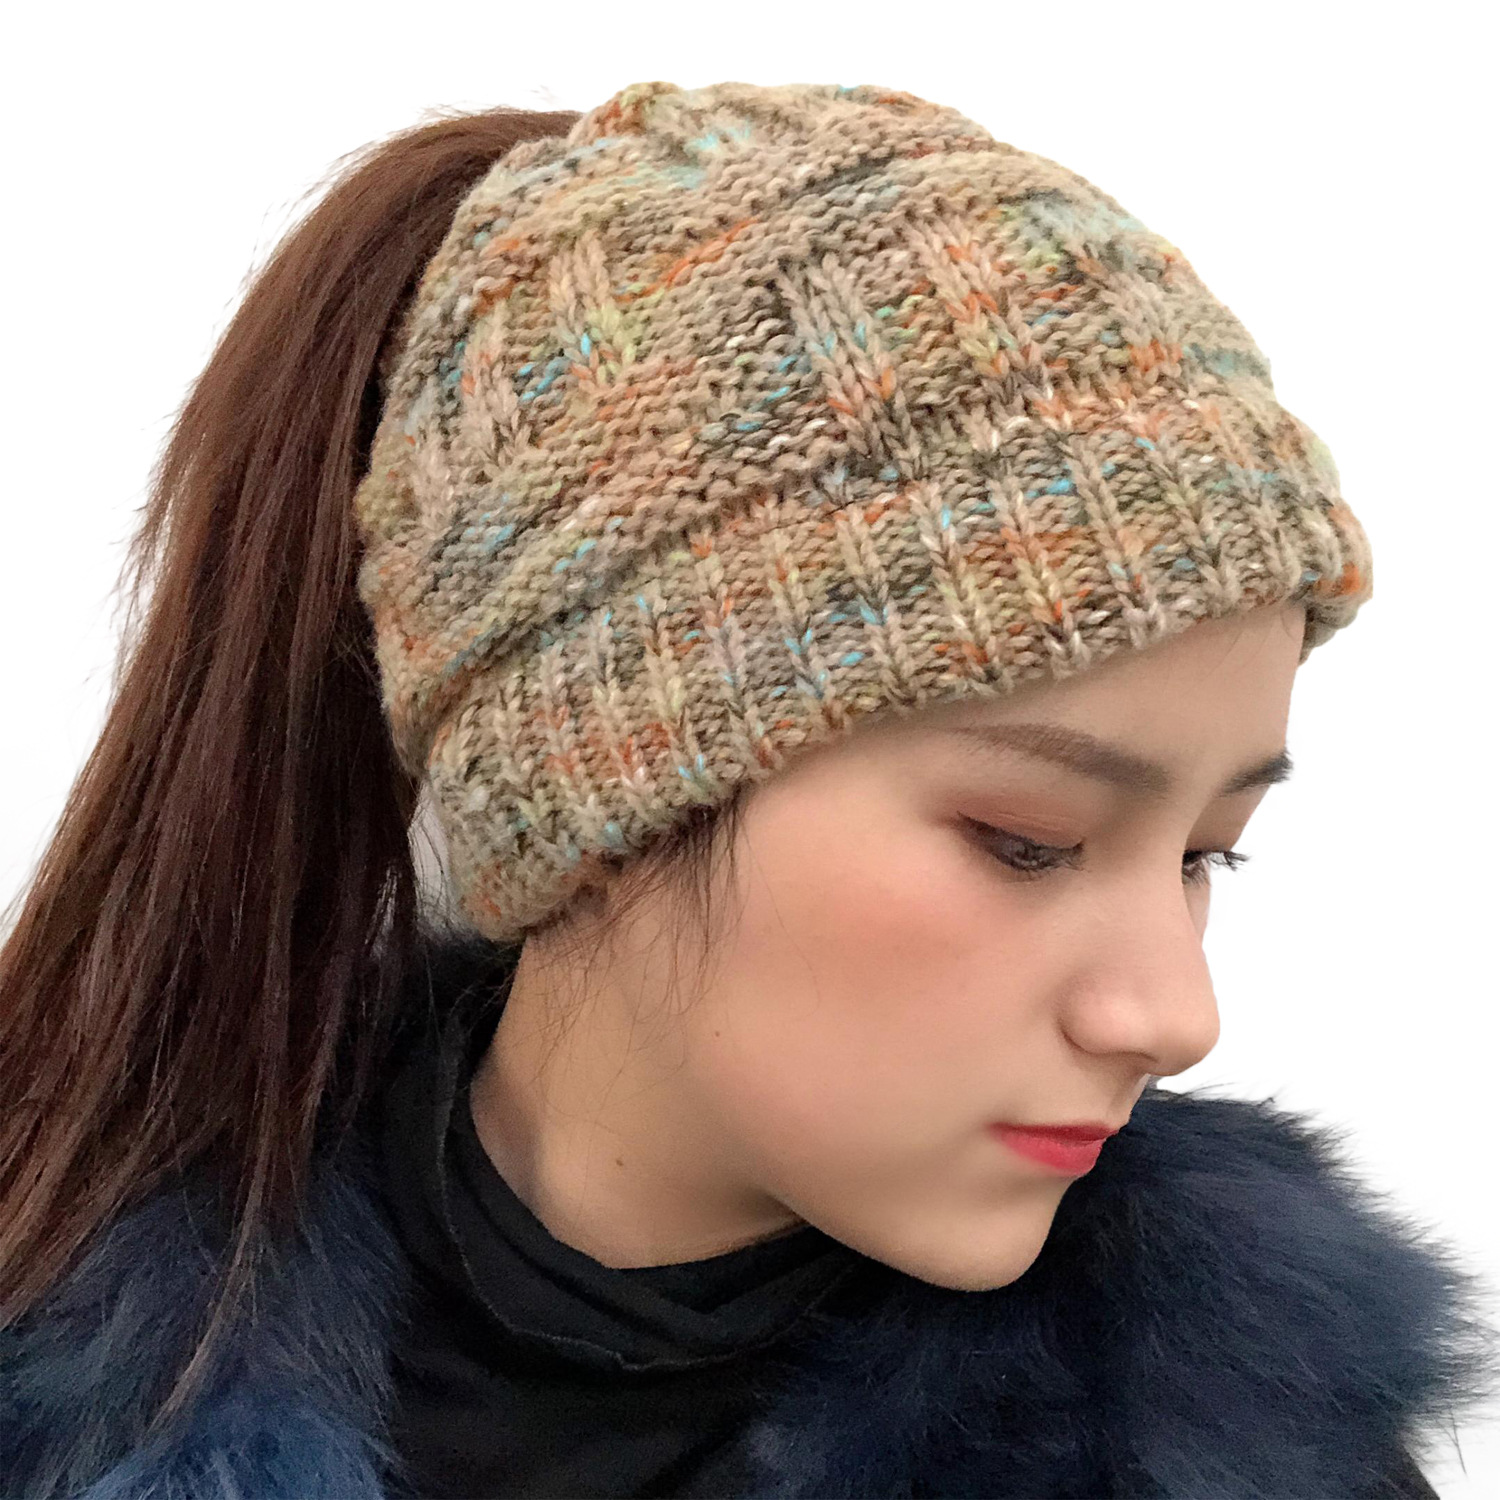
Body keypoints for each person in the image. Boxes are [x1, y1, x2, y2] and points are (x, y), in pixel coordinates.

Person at [0, 78, 1492, 1499]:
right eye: (1028, 842)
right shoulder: (53, 1360)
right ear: (600, 780)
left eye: (1206, 856)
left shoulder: (1242, 1446)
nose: (1173, 1015)